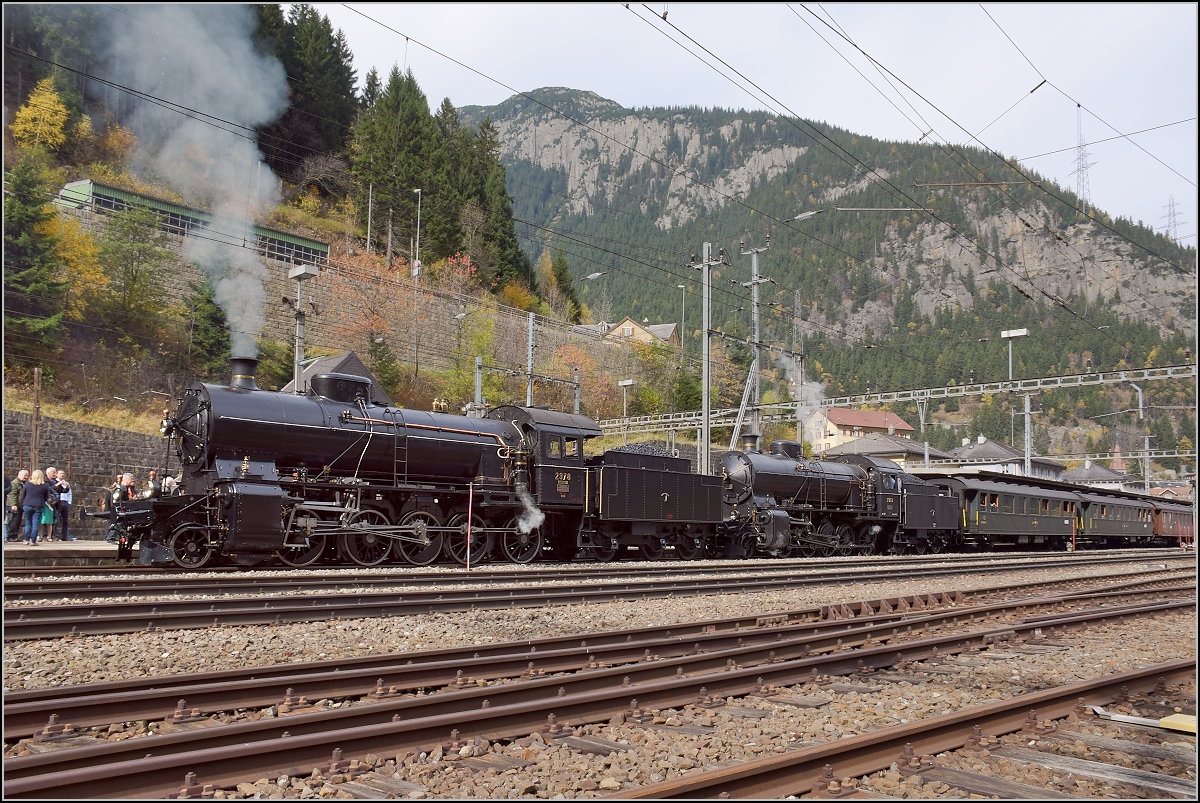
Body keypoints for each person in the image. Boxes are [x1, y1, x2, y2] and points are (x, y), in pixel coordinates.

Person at [21, 470, 52, 545]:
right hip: (38, 505)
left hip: (27, 505)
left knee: (28, 522)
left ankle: (26, 540)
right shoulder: (44, 486)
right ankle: (33, 541)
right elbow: (46, 497)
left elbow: (23, 495)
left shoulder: (27, 484)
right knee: (35, 523)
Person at [106, 473, 138, 543]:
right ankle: (111, 537)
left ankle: (125, 537)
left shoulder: (129, 488)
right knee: (118, 522)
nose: (133, 481)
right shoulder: (121, 488)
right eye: (131, 479)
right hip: (118, 507)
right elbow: (115, 498)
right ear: (126, 479)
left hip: (125, 508)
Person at [7, 469, 28, 542]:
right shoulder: (15, 483)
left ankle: (15, 536)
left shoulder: (24, 483)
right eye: (25, 475)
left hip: (21, 505)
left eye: (27, 475)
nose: (26, 477)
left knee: (18, 521)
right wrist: (14, 504)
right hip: (14, 506)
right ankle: (10, 536)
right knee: (14, 521)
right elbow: (12, 494)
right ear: (19, 475)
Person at [52, 470, 74, 541]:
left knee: (65, 520)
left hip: (65, 502)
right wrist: (58, 484)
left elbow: (69, 493)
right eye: (61, 473)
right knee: (56, 519)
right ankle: (54, 535)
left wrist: (69, 502)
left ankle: (65, 535)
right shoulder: (55, 482)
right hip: (58, 502)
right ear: (57, 475)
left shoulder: (66, 483)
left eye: (63, 474)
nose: (62, 475)